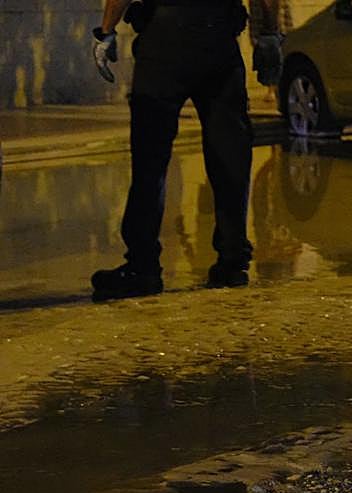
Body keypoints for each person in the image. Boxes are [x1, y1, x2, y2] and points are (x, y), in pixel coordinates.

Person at [90, 0, 282, 300]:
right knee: (230, 155)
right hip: (219, 44)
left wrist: (106, 32)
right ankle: (232, 262)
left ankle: (143, 268)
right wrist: (269, 35)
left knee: (150, 160)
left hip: (163, 43)